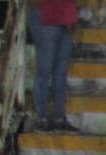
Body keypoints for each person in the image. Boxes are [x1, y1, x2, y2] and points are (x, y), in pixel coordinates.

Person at [30, 0, 78, 133]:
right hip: (46, 14)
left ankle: (58, 117)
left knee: (60, 72)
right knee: (45, 71)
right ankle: (41, 117)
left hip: (65, 15)